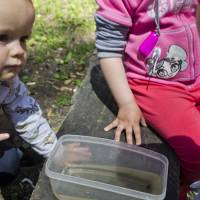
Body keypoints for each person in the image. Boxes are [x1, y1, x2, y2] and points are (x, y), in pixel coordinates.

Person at [95, 0, 200, 199]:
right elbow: (109, 48)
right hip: (156, 86)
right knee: (196, 149)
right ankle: (192, 188)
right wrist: (126, 103)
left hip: (196, 73)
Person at [0, 0, 57, 184]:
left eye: (23, 39)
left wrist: (55, 152)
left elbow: (26, 113)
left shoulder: (7, 83)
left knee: (9, 165)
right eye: (2, 37)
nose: (18, 50)